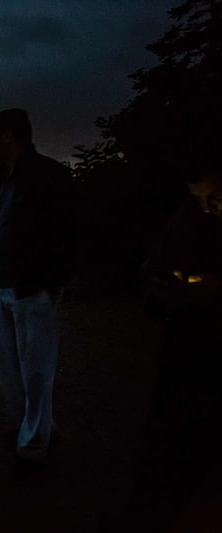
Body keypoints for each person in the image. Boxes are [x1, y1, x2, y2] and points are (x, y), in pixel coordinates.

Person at [0, 109, 76, 465]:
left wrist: (55, 280)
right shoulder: (2, 181)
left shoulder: (47, 175)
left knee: (36, 367)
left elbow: (65, 230)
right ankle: (33, 426)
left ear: (9, 136)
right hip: (4, 285)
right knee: (7, 364)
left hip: (32, 287)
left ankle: (35, 443)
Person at [140, 162, 222, 486]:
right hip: (186, 340)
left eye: (213, 198)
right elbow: (150, 274)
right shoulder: (185, 223)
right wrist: (170, 289)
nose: (207, 208)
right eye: (198, 199)